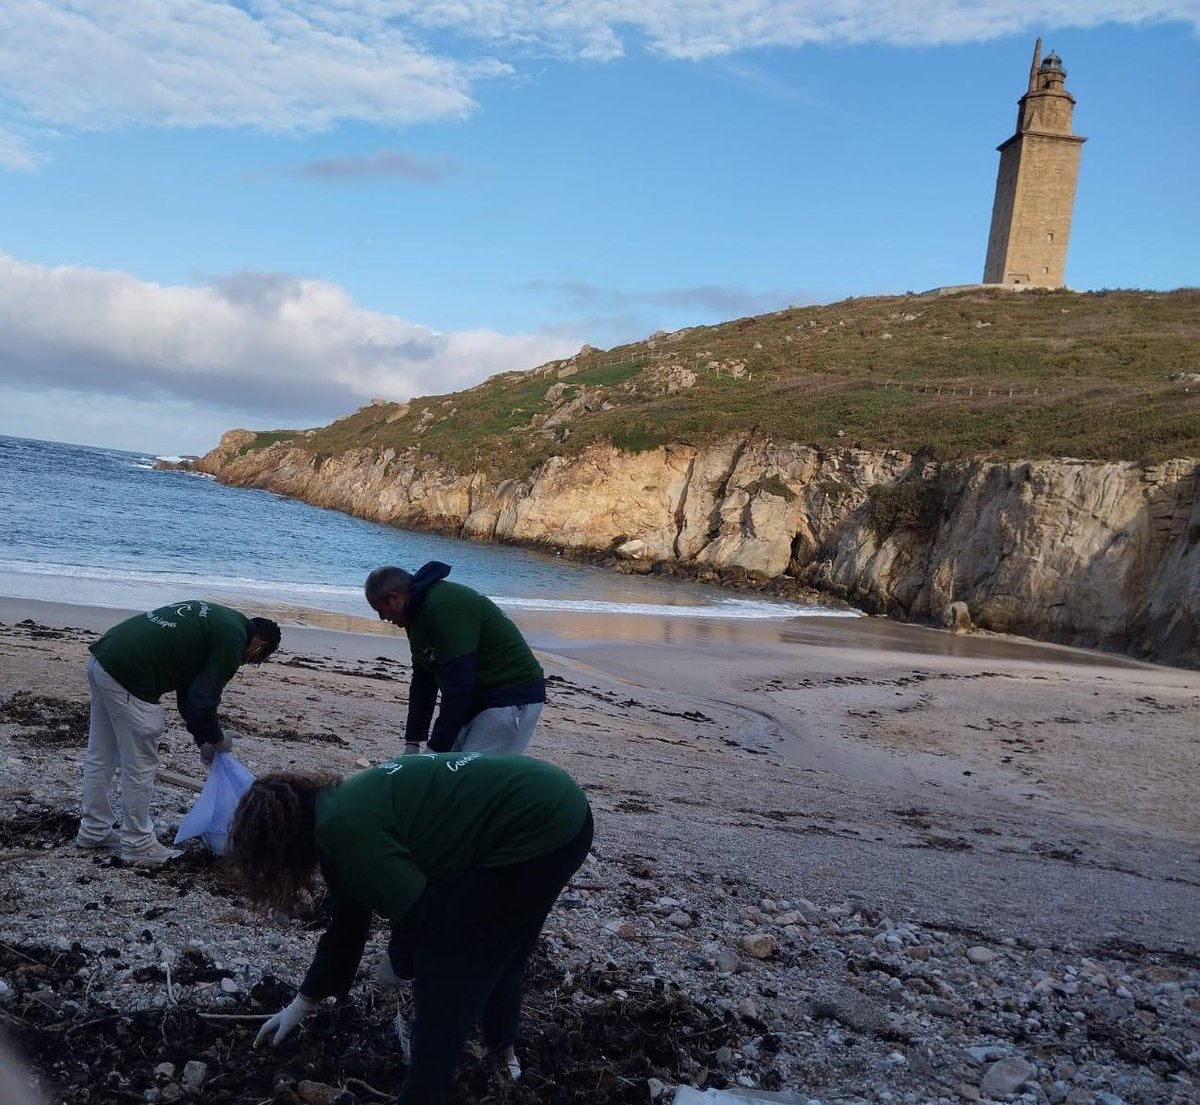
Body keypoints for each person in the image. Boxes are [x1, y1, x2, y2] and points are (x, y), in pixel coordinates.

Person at [229, 753, 593, 1105]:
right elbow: (348, 924)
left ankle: (424, 1095)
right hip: (558, 806)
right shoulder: (337, 810)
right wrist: (303, 1002)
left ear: (281, 845)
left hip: (536, 824)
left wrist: (399, 961)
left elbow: (425, 915)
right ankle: (503, 1057)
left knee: (447, 966)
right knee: (502, 945)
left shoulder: (344, 830)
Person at [76, 600, 281, 865]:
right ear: (259, 646)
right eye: (256, 660)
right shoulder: (233, 639)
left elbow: (189, 690)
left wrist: (204, 740)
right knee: (141, 764)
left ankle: (93, 830)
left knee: (101, 754)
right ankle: (137, 842)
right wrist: (218, 740)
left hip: (104, 657)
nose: (247, 662)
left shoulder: (221, 620)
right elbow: (203, 698)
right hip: (131, 675)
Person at [364, 563, 546, 756]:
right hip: (475, 700)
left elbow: (458, 685)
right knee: (447, 773)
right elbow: (423, 681)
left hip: (510, 696)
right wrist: (413, 742)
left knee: (471, 777)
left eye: (380, 610)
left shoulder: (442, 607)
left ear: (394, 597)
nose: (382, 618)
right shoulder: (415, 616)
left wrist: (435, 749)